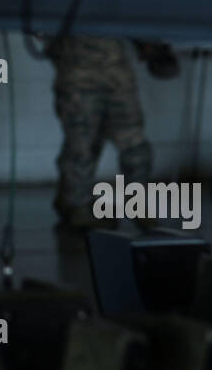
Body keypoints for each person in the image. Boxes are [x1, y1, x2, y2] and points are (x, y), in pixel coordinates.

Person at [47, 36, 154, 228]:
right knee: (82, 146)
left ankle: (137, 204)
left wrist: (155, 48)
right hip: (78, 76)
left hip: (117, 77)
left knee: (135, 144)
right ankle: (75, 206)